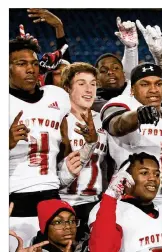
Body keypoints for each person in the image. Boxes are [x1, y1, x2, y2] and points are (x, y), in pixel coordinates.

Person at [9, 35, 78, 251]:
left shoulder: (56, 96)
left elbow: (65, 142)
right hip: (14, 202)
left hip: (52, 201)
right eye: (21, 64)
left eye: (34, 63)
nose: (31, 69)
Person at [100, 62, 162, 208]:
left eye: (158, 84)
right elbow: (116, 125)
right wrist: (138, 116)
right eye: (145, 84)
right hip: (130, 202)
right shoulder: (122, 104)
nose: (153, 90)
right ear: (132, 90)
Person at [58, 62, 110, 241]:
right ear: (67, 88)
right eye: (81, 83)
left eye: (93, 83)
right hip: (63, 205)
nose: (89, 89)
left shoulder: (104, 121)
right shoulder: (57, 120)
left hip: (94, 205)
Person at [88, 152, 162, 252]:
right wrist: (110, 197)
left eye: (157, 174)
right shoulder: (107, 208)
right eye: (144, 173)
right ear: (125, 179)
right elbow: (102, 249)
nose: (153, 178)